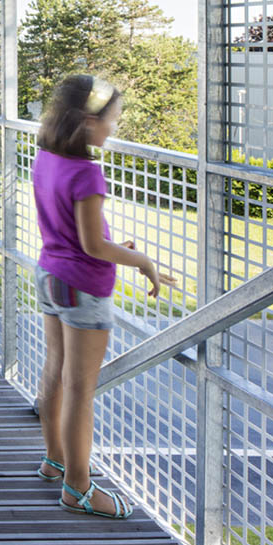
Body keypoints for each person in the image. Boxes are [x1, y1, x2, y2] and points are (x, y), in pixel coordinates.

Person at [31, 74, 175, 518]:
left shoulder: (46, 158)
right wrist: (143, 262)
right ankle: (78, 488)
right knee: (81, 389)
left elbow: (74, 231)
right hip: (82, 287)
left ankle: (55, 460)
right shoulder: (88, 172)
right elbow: (93, 248)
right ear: (88, 122)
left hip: (50, 274)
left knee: (55, 371)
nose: (114, 127)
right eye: (112, 119)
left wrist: (118, 246)